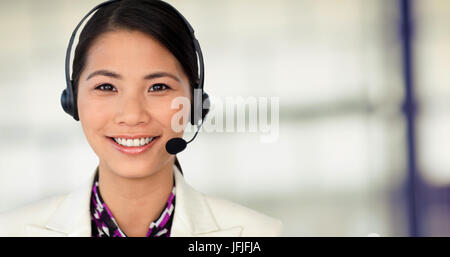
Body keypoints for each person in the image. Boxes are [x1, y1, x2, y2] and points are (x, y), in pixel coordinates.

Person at [0, 0, 282, 237]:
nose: (133, 115)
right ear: (72, 100)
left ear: (195, 102)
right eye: (106, 87)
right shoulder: (10, 231)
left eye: (158, 87)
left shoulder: (261, 233)